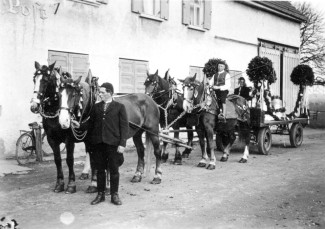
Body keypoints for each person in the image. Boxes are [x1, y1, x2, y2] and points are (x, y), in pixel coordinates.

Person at [72, 82, 128, 205]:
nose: (100, 94)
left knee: (114, 171)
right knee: (100, 171)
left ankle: (114, 195)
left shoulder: (119, 107)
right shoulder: (96, 107)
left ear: (110, 93)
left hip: (113, 144)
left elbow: (124, 127)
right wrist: (80, 125)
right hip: (98, 144)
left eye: (102, 92)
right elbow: (90, 124)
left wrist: (122, 144)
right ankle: (100, 194)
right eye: (100, 92)